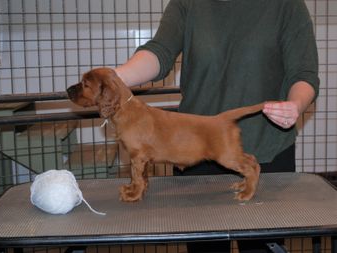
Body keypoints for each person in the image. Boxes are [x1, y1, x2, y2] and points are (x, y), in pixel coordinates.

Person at [114, 0, 320, 252]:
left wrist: (296, 104)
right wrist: (114, 79)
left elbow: (304, 72)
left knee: (259, 248)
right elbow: (160, 52)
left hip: (266, 151)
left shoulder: (286, 5)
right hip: (193, 151)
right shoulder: (187, 3)